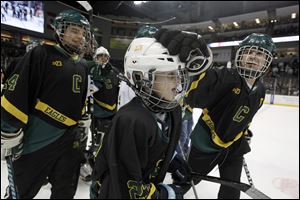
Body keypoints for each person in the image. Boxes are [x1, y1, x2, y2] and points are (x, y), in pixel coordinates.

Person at [155, 30, 275, 199]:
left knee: (232, 190)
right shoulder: (225, 77)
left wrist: (244, 130)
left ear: (267, 60)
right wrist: (192, 68)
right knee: (187, 181)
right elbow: (193, 91)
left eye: (259, 53)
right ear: (240, 56)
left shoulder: (261, 90)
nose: (253, 56)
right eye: (248, 51)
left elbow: (246, 115)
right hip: (206, 143)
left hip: (234, 146)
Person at [89, 34, 211, 199]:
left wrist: (172, 159)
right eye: (169, 76)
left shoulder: (171, 110)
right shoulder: (131, 121)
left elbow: (152, 147)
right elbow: (128, 189)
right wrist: (165, 194)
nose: (177, 84)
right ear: (142, 78)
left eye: (179, 75)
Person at [1, 10, 91, 199]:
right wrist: (8, 128)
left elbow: (79, 99)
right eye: (74, 30)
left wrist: (83, 119)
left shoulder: (83, 66)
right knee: (22, 191)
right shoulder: (42, 54)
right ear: (60, 31)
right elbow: (17, 89)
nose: (79, 37)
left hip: (69, 139)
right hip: (39, 136)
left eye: (82, 33)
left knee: (65, 191)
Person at [80, 46, 120, 182]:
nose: (103, 58)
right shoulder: (91, 71)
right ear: (95, 58)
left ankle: (108, 166)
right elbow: (88, 90)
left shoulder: (114, 71)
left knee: (111, 143)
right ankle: (93, 166)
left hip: (114, 113)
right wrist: (97, 79)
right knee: (96, 143)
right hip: (97, 113)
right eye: (100, 56)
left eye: (105, 56)